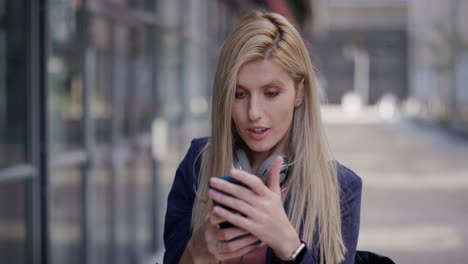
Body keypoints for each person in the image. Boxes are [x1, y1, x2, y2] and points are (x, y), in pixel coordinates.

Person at [163, 10, 362, 264]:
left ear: (299, 93)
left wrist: (290, 246)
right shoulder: (198, 164)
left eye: (270, 93)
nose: (254, 113)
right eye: (239, 94)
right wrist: (195, 254)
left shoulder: (340, 188)